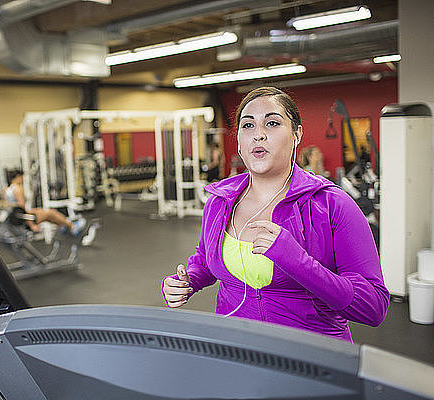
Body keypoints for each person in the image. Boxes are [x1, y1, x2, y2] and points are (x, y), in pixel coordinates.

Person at [161, 87, 389, 342]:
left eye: (272, 123)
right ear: (238, 140)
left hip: (309, 360)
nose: (258, 134)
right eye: (248, 126)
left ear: (297, 134)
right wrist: (188, 280)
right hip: (237, 351)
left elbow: (373, 307)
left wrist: (298, 262)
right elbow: (205, 260)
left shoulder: (333, 204)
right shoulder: (220, 201)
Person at [2, 169, 85, 235]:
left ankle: (64, 224)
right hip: (21, 219)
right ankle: (72, 226)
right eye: (22, 177)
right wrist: (32, 225)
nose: (23, 179)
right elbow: (22, 208)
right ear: (18, 177)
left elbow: (5, 204)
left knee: (44, 213)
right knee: (50, 213)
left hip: (13, 218)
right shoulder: (18, 188)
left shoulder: (6, 189)